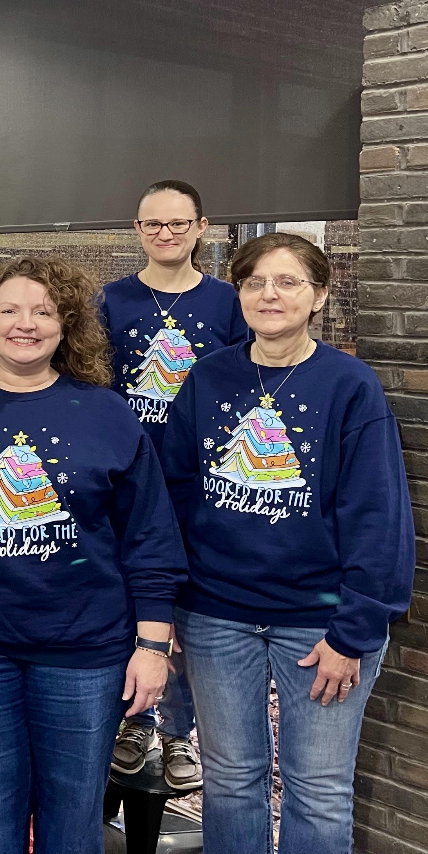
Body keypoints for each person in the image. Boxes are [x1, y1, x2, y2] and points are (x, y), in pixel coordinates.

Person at [0, 256, 187, 854]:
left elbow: (149, 538)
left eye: (43, 311)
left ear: (67, 324)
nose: (25, 324)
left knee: (73, 823)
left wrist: (153, 646)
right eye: (10, 309)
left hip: (84, 650)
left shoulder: (106, 413)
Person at [162, 232, 415, 854]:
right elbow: (171, 496)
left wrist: (352, 633)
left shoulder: (349, 387)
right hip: (216, 614)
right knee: (230, 782)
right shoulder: (206, 379)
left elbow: (378, 519)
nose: (268, 295)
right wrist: (164, 604)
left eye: (287, 282)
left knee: (320, 790)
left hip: (320, 624)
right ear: (239, 294)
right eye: (254, 283)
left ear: (319, 295)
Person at [103, 179, 248, 790]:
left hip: (199, 479)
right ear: (138, 230)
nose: (165, 233)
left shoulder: (227, 303)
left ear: (201, 228)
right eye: (152, 224)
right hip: (125, 481)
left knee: (186, 614)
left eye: (177, 223)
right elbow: (93, 380)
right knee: (129, 606)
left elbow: (246, 383)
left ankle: (179, 732)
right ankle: (131, 722)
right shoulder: (111, 301)